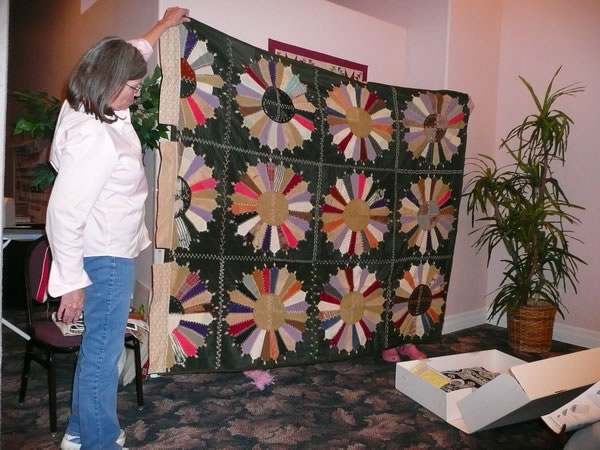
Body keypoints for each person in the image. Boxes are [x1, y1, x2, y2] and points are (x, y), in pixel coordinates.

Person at [45, 7, 189, 449]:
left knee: (99, 350)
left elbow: (130, 53)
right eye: (132, 88)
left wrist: (164, 24)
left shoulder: (83, 102)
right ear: (108, 82)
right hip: (104, 256)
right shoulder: (95, 137)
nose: (136, 95)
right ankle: (99, 441)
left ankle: (78, 433)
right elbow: (64, 212)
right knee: (103, 354)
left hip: (105, 249)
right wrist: (71, 283)